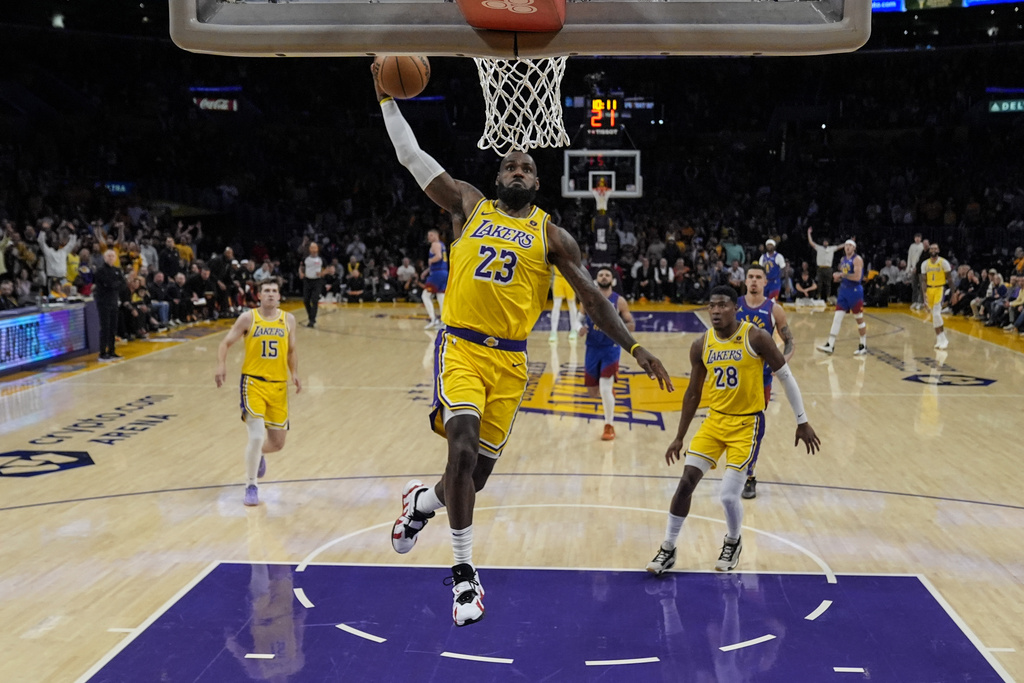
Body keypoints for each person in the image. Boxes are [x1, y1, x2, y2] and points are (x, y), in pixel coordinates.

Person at [373, 66, 673, 627]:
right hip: (460, 346)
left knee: (474, 476)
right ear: (498, 174)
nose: (517, 169)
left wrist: (635, 348)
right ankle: (464, 577)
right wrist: (389, 99)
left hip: (510, 362)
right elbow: (413, 158)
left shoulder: (553, 236)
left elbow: (592, 299)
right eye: (510, 164)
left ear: (538, 183)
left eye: (527, 167)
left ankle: (422, 505)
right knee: (460, 449)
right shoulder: (469, 204)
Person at [646, 285, 819, 576]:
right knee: (686, 481)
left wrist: (802, 420)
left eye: (722, 305)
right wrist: (679, 436)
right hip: (714, 421)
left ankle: (733, 541)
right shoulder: (702, 344)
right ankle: (668, 547)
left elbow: (786, 377)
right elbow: (692, 393)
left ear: (735, 308)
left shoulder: (756, 337)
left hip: (747, 424)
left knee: (727, 496)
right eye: (711, 306)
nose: (715, 311)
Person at [215, 278, 301, 506]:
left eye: (274, 291)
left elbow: (291, 351)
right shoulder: (248, 318)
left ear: (279, 296)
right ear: (259, 295)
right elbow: (225, 343)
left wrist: (294, 373)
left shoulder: (288, 319)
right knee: (255, 436)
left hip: (279, 386)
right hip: (253, 383)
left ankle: (257, 455)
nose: (271, 294)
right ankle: (251, 485)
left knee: (277, 444)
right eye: (266, 291)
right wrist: (221, 365)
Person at [735, 264, 794, 500]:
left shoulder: (774, 309)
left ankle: (750, 475)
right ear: (745, 280)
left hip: (761, 379)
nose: (754, 281)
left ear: (765, 282)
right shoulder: (734, 305)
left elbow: (789, 341)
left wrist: (781, 362)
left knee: (752, 428)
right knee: (730, 425)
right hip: (734, 378)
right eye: (750, 277)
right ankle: (734, 469)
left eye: (758, 277)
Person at [579, 266, 635, 441]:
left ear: (613, 280)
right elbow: (578, 319)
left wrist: (623, 329)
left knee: (603, 389)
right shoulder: (587, 300)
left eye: (607, 275)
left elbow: (630, 322)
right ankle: (609, 391)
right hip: (592, 348)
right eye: (601, 275)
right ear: (596, 280)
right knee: (593, 392)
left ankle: (609, 425)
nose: (604, 277)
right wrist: (579, 328)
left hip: (611, 348)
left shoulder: (619, 301)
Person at [816, 239, 867, 356]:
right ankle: (830, 344)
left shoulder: (857, 259)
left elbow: (857, 277)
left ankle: (863, 345)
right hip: (844, 291)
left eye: (850, 245)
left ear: (854, 248)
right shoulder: (843, 260)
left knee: (859, 318)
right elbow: (846, 276)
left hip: (854, 292)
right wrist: (838, 278)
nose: (848, 247)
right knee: (837, 318)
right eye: (846, 245)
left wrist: (842, 275)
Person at [93, 249, 127, 361]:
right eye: (109, 256)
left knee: (113, 327)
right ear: (104, 257)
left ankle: (111, 351)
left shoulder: (117, 270)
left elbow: (123, 285)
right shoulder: (100, 270)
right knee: (105, 327)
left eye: (113, 256)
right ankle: (102, 353)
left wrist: (115, 284)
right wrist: (115, 284)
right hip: (103, 302)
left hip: (113, 301)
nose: (111, 258)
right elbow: (109, 284)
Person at [921, 243, 952, 349]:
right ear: (929, 250)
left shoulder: (944, 262)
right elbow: (923, 281)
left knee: (937, 314)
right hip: (930, 290)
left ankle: (944, 339)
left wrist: (953, 293)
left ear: (938, 250)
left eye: (935, 248)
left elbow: (950, 279)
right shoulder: (925, 264)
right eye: (932, 248)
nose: (933, 250)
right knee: (934, 316)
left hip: (940, 288)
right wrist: (924, 294)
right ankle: (939, 339)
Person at [421, 228, 448, 329]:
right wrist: (426, 271)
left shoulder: (435, 244)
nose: (429, 237)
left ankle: (433, 319)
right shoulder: (442, 244)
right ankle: (444, 321)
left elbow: (438, 257)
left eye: (430, 235)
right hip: (443, 272)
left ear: (436, 235)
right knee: (441, 297)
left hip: (437, 274)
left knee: (425, 295)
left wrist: (430, 260)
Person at [549, 266, 581, 342]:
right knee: (556, 305)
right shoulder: (554, 254)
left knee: (571, 305)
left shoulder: (571, 254)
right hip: (558, 278)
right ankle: (553, 332)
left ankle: (573, 330)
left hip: (569, 279)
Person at [807, 227, 839, 302]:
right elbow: (811, 242)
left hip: (828, 268)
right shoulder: (819, 248)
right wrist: (809, 233)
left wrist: (848, 243)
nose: (825, 243)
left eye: (826, 242)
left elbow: (839, 246)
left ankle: (828, 297)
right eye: (824, 242)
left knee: (828, 284)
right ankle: (818, 296)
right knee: (820, 283)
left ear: (828, 243)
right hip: (820, 268)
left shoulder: (832, 248)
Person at [300, 242, 324, 328]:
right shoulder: (305, 258)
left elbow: (327, 270)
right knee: (306, 300)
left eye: (315, 248)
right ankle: (311, 316)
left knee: (314, 300)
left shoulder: (321, 259)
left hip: (317, 281)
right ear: (309, 249)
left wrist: (321, 273)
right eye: (312, 248)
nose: (314, 250)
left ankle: (312, 320)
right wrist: (301, 273)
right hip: (307, 280)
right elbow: (301, 267)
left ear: (317, 249)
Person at [907, 233, 926, 310]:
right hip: (913, 268)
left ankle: (921, 302)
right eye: (916, 237)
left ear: (921, 238)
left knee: (922, 286)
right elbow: (909, 257)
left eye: (919, 237)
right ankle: (914, 301)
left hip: (921, 269)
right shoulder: (912, 246)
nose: (917, 239)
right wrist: (909, 268)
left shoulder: (922, 246)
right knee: (914, 285)